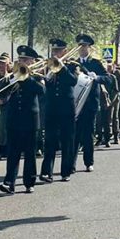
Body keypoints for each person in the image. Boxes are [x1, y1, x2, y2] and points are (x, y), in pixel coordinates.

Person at [0, 46, 45, 193]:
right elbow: (0, 94)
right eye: (20, 59)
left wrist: (28, 78)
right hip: (13, 120)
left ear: (32, 61)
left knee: (30, 153)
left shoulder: (37, 77)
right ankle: (9, 182)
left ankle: (29, 182)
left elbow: (42, 91)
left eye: (25, 59)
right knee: (13, 153)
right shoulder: (11, 77)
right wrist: (10, 79)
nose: (22, 62)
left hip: (30, 121)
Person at [71, 35, 112, 172]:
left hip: (90, 104)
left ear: (89, 48)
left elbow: (108, 79)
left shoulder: (96, 63)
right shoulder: (74, 63)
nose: (82, 49)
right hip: (76, 103)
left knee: (88, 134)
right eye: (80, 46)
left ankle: (88, 162)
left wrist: (98, 77)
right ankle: (71, 164)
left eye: (84, 46)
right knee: (75, 134)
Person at [41, 39, 77, 183]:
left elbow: (73, 81)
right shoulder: (47, 66)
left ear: (65, 52)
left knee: (67, 140)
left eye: (58, 51)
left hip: (66, 109)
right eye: (54, 51)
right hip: (51, 108)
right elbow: (46, 84)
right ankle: (46, 172)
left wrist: (62, 67)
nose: (55, 53)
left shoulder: (72, 66)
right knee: (49, 141)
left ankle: (65, 171)